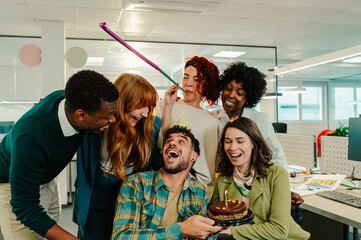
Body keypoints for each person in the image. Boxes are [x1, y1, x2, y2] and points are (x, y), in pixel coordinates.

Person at [0, 70, 119, 240]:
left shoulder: (66, 99)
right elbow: (25, 207)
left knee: (47, 230)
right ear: (81, 115)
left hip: (47, 178)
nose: (113, 120)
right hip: (12, 185)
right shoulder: (31, 139)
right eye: (107, 117)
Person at [73, 73, 162, 240]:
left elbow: (159, 159)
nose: (145, 113)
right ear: (123, 102)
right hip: (97, 196)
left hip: (130, 194)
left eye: (150, 107)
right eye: (141, 105)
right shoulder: (97, 123)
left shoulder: (151, 124)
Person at [211, 61, 304, 207]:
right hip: (228, 184)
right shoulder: (215, 118)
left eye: (239, 93)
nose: (230, 95)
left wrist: (285, 189)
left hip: (258, 185)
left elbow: (276, 156)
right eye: (228, 89)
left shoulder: (259, 121)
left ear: (248, 98)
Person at [112, 125, 223, 239]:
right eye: (168, 140)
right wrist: (181, 230)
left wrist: (214, 229)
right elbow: (121, 236)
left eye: (181, 141)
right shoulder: (136, 183)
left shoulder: (200, 191)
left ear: (193, 156)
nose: (172, 143)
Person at [211, 117, 310, 239]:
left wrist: (232, 231)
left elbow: (279, 230)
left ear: (253, 143)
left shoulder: (276, 174)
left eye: (240, 141)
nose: (232, 147)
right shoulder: (222, 180)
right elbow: (216, 220)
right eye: (228, 141)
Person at [157, 56, 221, 190]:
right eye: (186, 77)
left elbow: (208, 166)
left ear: (207, 85)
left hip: (193, 186)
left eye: (196, 80)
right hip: (162, 179)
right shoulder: (167, 104)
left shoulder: (212, 121)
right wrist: (168, 107)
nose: (188, 83)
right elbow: (159, 144)